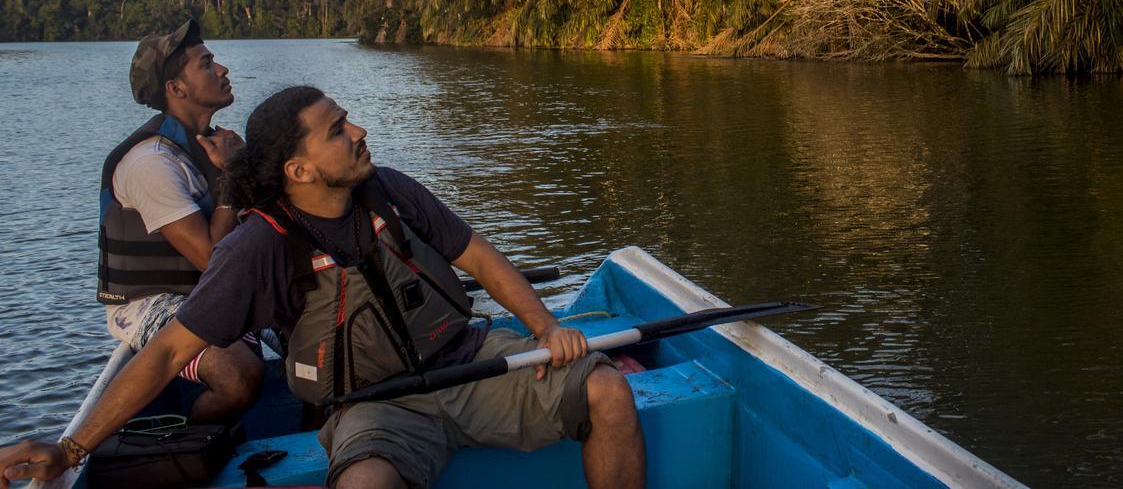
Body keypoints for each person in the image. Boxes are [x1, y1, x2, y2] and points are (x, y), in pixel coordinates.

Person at [1, 86, 645, 489]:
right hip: (373, 405)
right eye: (338, 128)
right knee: (364, 483)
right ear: (299, 168)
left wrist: (546, 329)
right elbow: (168, 352)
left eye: (349, 121)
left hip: (466, 363)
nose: (359, 131)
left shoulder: (389, 191)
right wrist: (69, 449)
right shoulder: (258, 246)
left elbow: (475, 254)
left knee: (606, 389)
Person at [97, 19, 262, 422]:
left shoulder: (214, 146)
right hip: (152, 301)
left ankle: (317, 427)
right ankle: (194, 439)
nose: (222, 70)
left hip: (217, 288)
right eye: (206, 64)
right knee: (238, 375)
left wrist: (241, 168)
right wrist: (233, 177)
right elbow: (212, 258)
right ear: (176, 89)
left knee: (328, 315)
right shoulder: (152, 163)